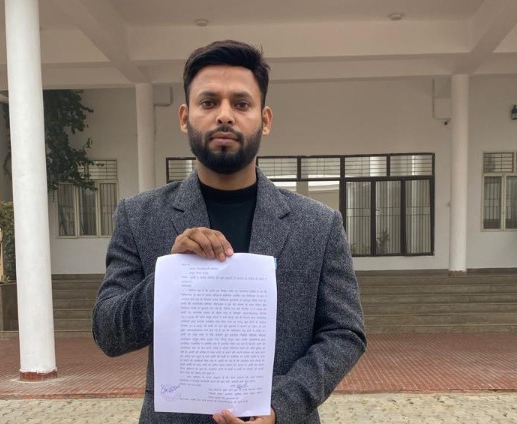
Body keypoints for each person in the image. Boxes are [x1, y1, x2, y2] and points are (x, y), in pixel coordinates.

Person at [92, 40, 366, 424]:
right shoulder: (139, 216)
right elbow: (108, 334)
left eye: (241, 103)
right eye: (208, 103)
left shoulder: (318, 225)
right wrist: (169, 278)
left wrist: (280, 406)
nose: (224, 115)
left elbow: (345, 332)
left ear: (265, 119)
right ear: (185, 117)